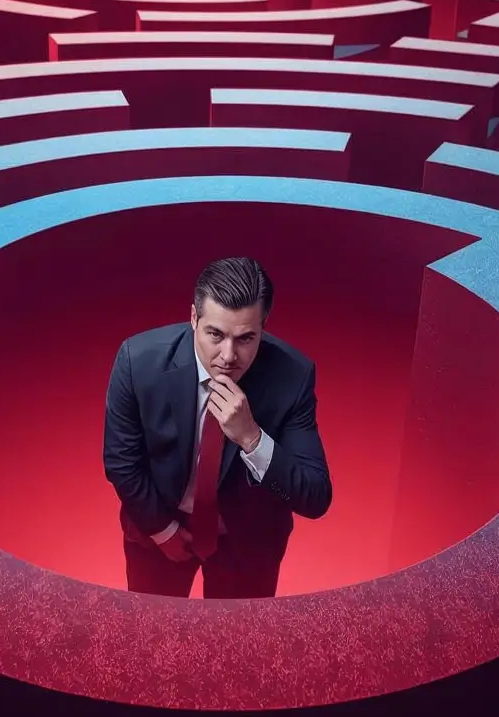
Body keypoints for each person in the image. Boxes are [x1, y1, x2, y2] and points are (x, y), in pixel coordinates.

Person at [102, 256, 332, 599]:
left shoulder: (292, 378)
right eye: (215, 334)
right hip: (156, 527)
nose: (228, 355)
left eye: (245, 338)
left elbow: (315, 498)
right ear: (193, 318)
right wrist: (163, 531)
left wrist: (252, 438)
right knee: (153, 642)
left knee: (237, 652)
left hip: (248, 547)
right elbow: (121, 461)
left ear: (263, 328)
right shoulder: (139, 361)